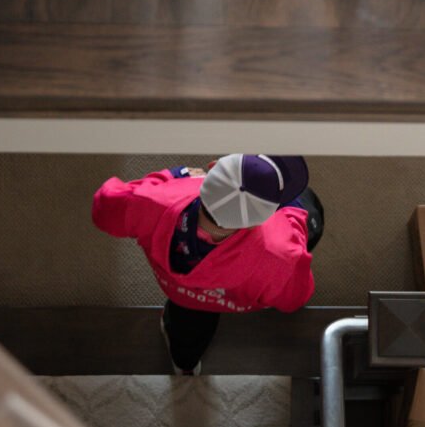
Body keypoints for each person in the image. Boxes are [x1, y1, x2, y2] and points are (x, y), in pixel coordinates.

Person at [92, 154, 321, 375]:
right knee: (312, 210)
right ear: (257, 222)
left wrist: (173, 175)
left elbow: (104, 208)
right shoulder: (280, 251)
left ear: (212, 167)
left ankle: (185, 365)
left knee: (186, 334)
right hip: (234, 294)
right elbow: (294, 297)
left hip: (181, 294)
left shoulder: (152, 199)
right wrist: (292, 209)